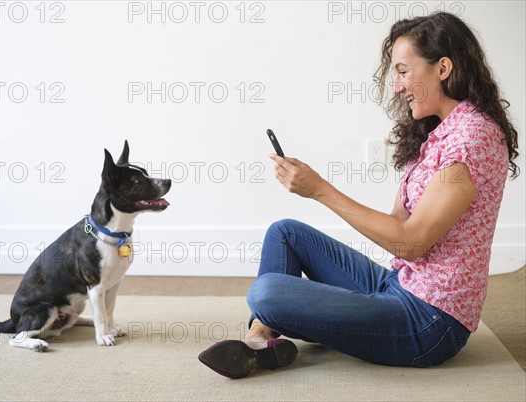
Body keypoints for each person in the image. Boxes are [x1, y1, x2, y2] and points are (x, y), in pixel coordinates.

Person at [198, 11, 520, 379]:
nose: (397, 85)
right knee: (284, 233)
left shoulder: (471, 140)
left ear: (442, 68)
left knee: (266, 293)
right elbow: (400, 225)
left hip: (430, 322)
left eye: (402, 70)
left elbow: (410, 243)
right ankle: (261, 339)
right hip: (401, 284)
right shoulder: (440, 134)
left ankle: (262, 332)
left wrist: (320, 190)